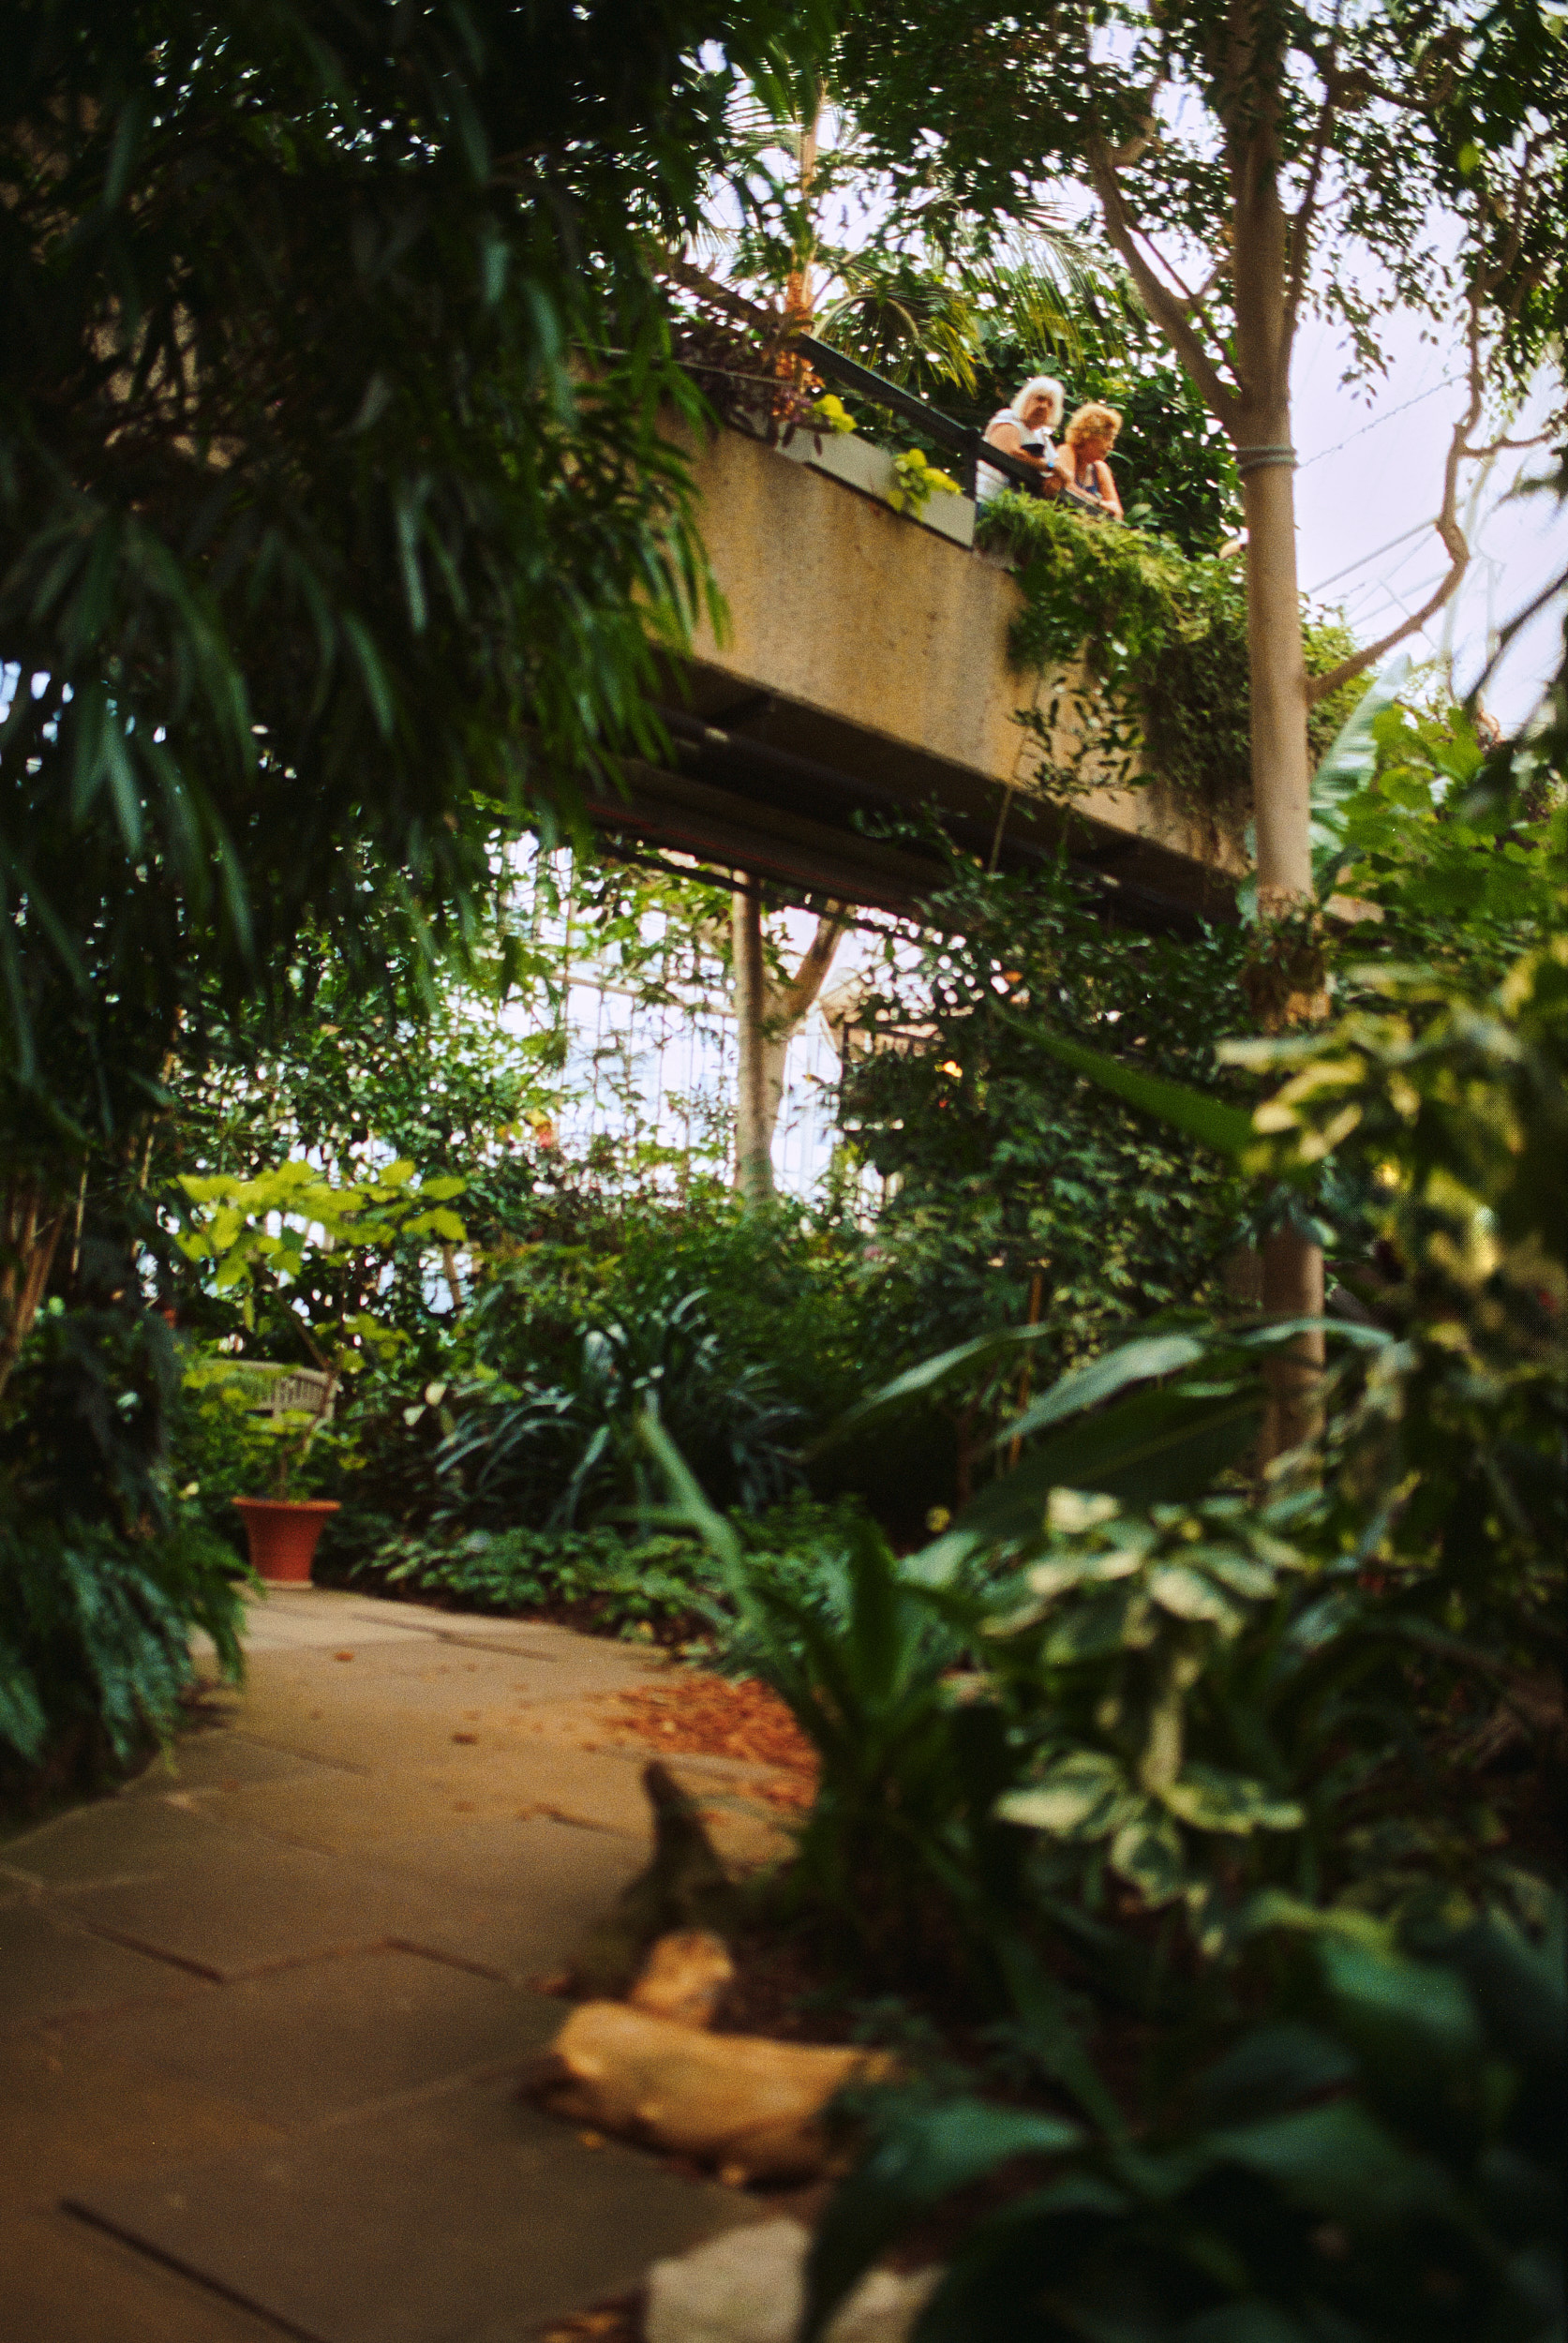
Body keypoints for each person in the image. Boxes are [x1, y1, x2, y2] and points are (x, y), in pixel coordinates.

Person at [977, 376, 1065, 503]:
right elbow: (1012, 452)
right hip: (985, 498)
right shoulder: (1009, 417)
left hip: (1013, 508)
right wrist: (1050, 467)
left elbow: (1063, 472)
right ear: (1027, 399)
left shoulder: (1043, 437)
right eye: (1040, 399)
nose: (1043, 406)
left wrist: (1057, 479)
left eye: (1050, 404)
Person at [1053, 402, 1124, 519]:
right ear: (1088, 434)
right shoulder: (1067, 451)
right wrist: (1100, 504)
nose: (1111, 446)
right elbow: (1067, 488)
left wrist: (1104, 506)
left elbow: (1117, 512)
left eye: (1112, 439)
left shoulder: (1100, 467)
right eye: (1107, 438)